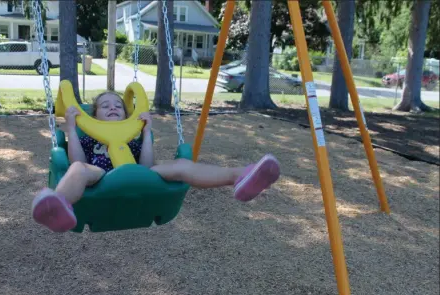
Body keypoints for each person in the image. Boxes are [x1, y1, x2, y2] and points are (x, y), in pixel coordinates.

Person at [32, 91, 281, 232]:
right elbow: (77, 159)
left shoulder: (132, 135)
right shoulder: (89, 136)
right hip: (101, 176)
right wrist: (74, 130)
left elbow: (148, 165)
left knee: (181, 167)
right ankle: (59, 206)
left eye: (118, 105)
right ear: (93, 115)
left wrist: (146, 133)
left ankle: (240, 176)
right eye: (104, 106)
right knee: (77, 168)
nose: (112, 108)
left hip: (141, 175)